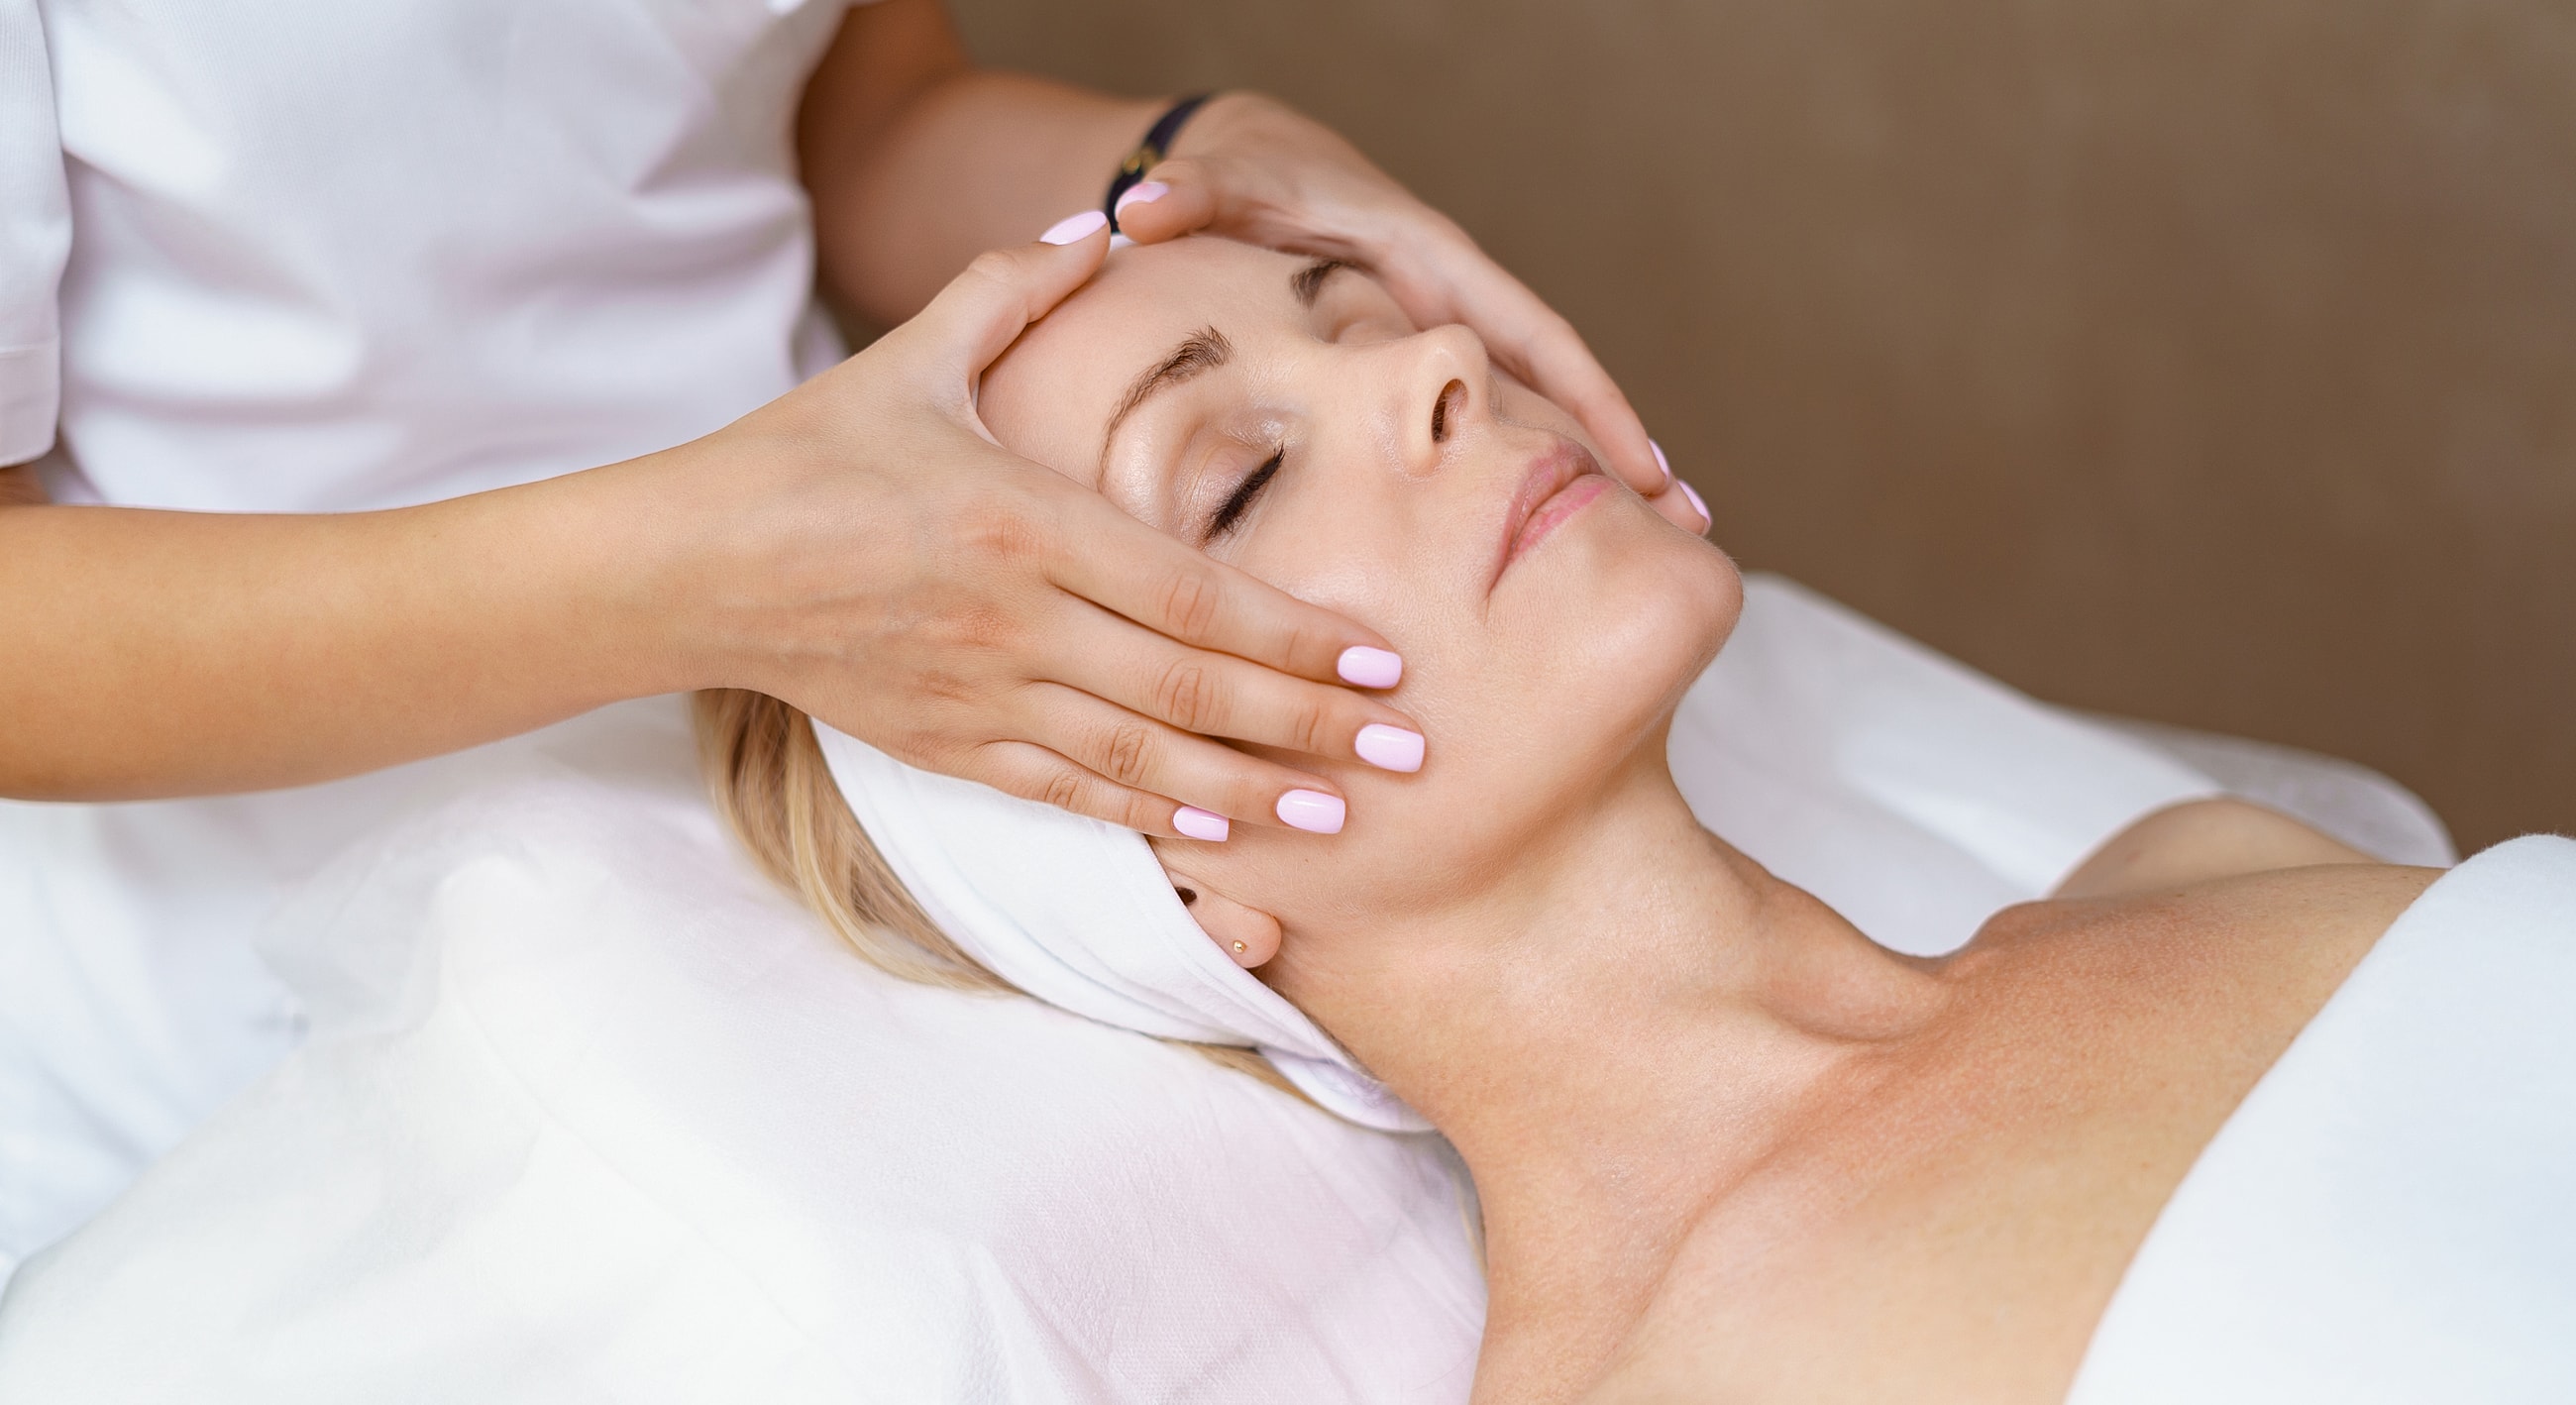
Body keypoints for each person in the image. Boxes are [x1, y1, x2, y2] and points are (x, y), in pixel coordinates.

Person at [702, 231, 2572, 1402]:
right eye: (1240, 478)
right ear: (1168, 880)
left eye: (1355, 315)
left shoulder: (2208, 863)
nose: (1435, 366)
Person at [0, 0, 1701, 832]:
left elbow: (852, 115)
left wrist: (1187, 154)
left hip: (884, 738)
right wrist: (709, 576)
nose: (1430, 374)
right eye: (1243, 483)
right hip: (249, 925)